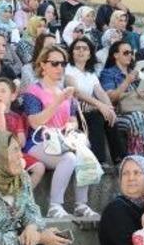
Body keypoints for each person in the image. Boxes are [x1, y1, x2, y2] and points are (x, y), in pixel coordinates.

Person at [22, 45, 100, 219]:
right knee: (69, 158)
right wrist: (57, 101)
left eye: (63, 64)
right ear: (43, 65)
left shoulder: (65, 93)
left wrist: (70, 128)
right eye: (55, 63)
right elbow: (35, 122)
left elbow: (72, 120)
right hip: (38, 143)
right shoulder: (33, 91)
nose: (60, 68)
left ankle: (81, 204)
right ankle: (55, 206)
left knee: (84, 154)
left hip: (62, 141)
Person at [0, 77, 46, 188]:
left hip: (14, 153)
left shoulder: (17, 117)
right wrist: (0, 112)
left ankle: (24, 196)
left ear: (12, 96)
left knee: (39, 167)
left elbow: (21, 142)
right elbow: (0, 136)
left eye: (3, 91)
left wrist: (12, 143)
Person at [65, 37, 117, 164]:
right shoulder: (68, 69)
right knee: (97, 115)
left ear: (89, 54)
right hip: (72, 110)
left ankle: (119, 158)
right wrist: (100, 105)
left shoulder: (90, 74)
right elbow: (76, 92)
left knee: (109, 115)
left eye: (85, 48)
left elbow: (100, 92)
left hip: (88, 107)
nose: (81, 51)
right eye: (77, 48)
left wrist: (110, 109)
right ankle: (99, 161)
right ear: (72, 52)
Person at [100, 40, 144, 160]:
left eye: (131, 53)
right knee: (137, 118)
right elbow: (110, 97)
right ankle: (136, 160)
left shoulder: (135, 71)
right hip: (120, 113)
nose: (130, 55)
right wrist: (127, 81)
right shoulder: (108, 73)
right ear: (116, 55)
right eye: (126, 53)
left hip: (140, 108)